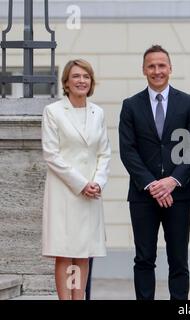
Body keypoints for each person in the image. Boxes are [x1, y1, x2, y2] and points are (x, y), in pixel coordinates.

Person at [119, 45, 190, 300]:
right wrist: (153, 185)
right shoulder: (130, 105)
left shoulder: (188, 103)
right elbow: (128, 151)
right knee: (144, 258)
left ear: (170, 68)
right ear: (144, 70)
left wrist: (173, 180)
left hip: (179, 194)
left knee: (179, 259)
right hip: (143, 196)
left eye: (161, 65)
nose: (157, 71)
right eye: (151, 66)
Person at [41, 59, 111, 300]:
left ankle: (78, 297)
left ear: (91, 82)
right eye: (76, 76)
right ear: (66, 83)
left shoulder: (98, 112)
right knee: (65, 252)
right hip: (65, 192)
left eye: (86, 76)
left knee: (83, 253)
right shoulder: (53, 111)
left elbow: (104, 152)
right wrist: (81, 184)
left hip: (91, 193)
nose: (82, 81)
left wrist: (97, 182)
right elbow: (51, 154)